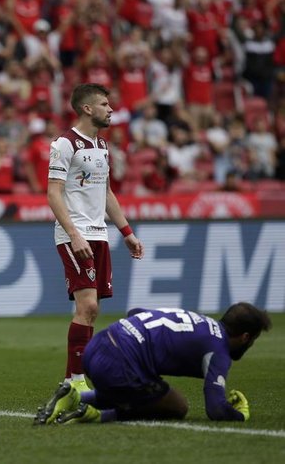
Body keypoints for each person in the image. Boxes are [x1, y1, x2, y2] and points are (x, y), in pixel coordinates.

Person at [47, 83, 144, 392]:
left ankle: (71, 380)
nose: (111, 109)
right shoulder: (64, 144)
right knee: (87, 307)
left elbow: (105, 192)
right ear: (87, 109)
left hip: (99, 235)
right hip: (75, 234)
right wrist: (73, 234)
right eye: (104, 104)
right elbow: (53, 193)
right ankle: (76, 382)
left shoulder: (101, 146)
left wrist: (126, 232)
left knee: (93, 310)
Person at [34, 303, 272, 425]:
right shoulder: (219, 349)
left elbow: (135, 311)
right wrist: (240, 415)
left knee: (133, 388)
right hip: (119, 362)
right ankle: (99, 417)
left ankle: (75, 397)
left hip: (98, 344)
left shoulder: (200, 321)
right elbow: (216, 409)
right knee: (178, 406)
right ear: (245, 337)